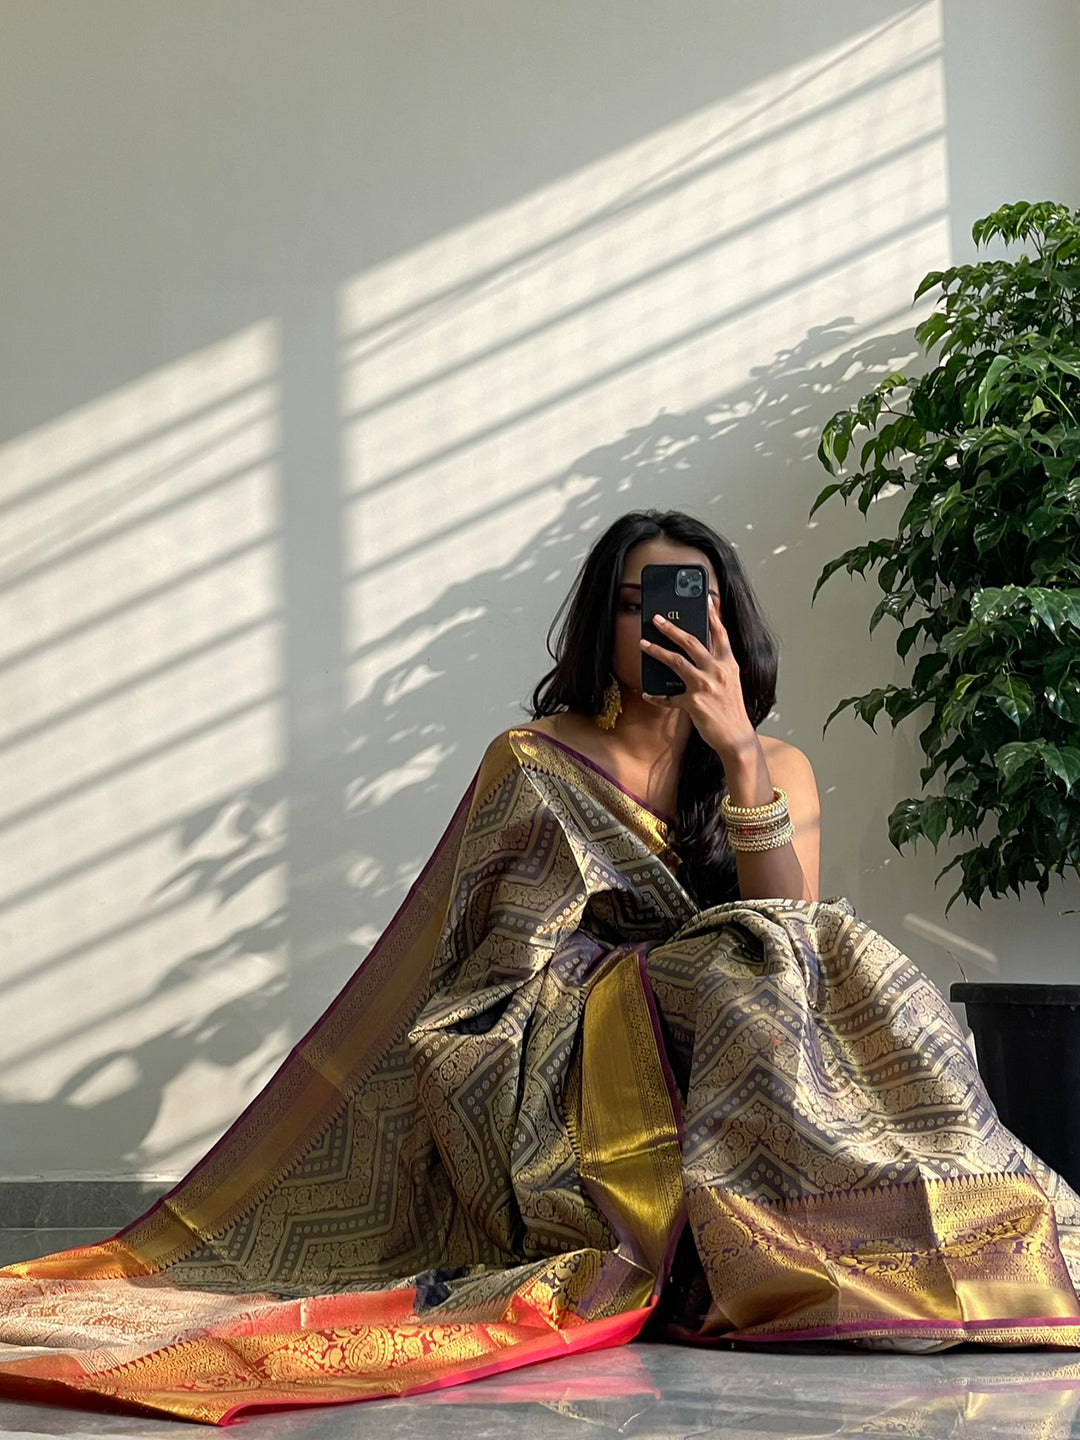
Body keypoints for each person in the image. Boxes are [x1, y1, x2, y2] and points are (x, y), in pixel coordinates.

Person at [1, 508, 1079, 1426]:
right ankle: (784, 1267)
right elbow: (489, 962)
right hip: (563, 1037)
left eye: (688, 598)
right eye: (636, 601)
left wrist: (738, 749)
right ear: (598, 626)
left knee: (816, 958)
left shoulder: (773, 759)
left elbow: (789, 926)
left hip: (737, 1011)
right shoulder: (538, 757)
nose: (661, 621)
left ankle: (933, 1236)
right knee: (741, 976)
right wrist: (652, 974)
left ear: (727, 618)